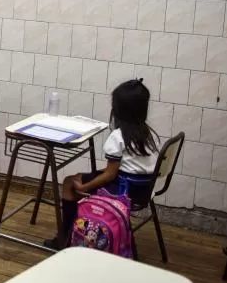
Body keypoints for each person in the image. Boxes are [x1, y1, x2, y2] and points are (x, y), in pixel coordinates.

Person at [44, 79, 159, 249]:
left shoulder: (118, 137)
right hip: (144, 189)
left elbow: (110, 174)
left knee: (69, 182)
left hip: (123, 191)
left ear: (118, 109)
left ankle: (65, 239)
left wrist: (84, 187)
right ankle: (81, 227)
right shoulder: (149, 134)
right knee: (83, 177)